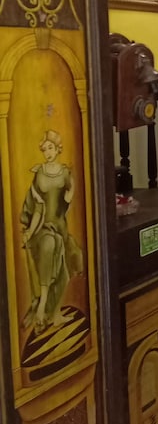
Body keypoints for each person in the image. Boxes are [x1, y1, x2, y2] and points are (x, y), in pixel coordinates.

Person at [20, 130, 82, 333]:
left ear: (57, 149)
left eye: (50, 148)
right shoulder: (39, 174)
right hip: (42, 227)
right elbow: (37, 208)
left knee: (64, 274)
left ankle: (54, 314)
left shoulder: (65, 173)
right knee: (49, 245)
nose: (47, 152)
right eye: (45, 149)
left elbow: (67, 201)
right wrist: (29, 232)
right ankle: (41, 306)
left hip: (60, 226)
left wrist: (72, 186)